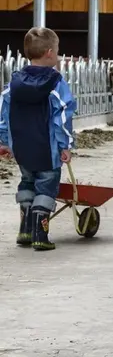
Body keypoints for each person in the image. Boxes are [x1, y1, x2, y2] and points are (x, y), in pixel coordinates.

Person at [0, 27, 77, 251]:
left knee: (27, 182)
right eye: (59, 50)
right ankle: (40, 235)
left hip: (21, 148)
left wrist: (4, 141)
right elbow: (63, 115)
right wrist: (66, 145)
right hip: (48, 148)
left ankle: (25, 230)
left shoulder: (14, 83)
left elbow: (4, 113)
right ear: (50, 53)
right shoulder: (55, 82)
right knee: (46, 186)